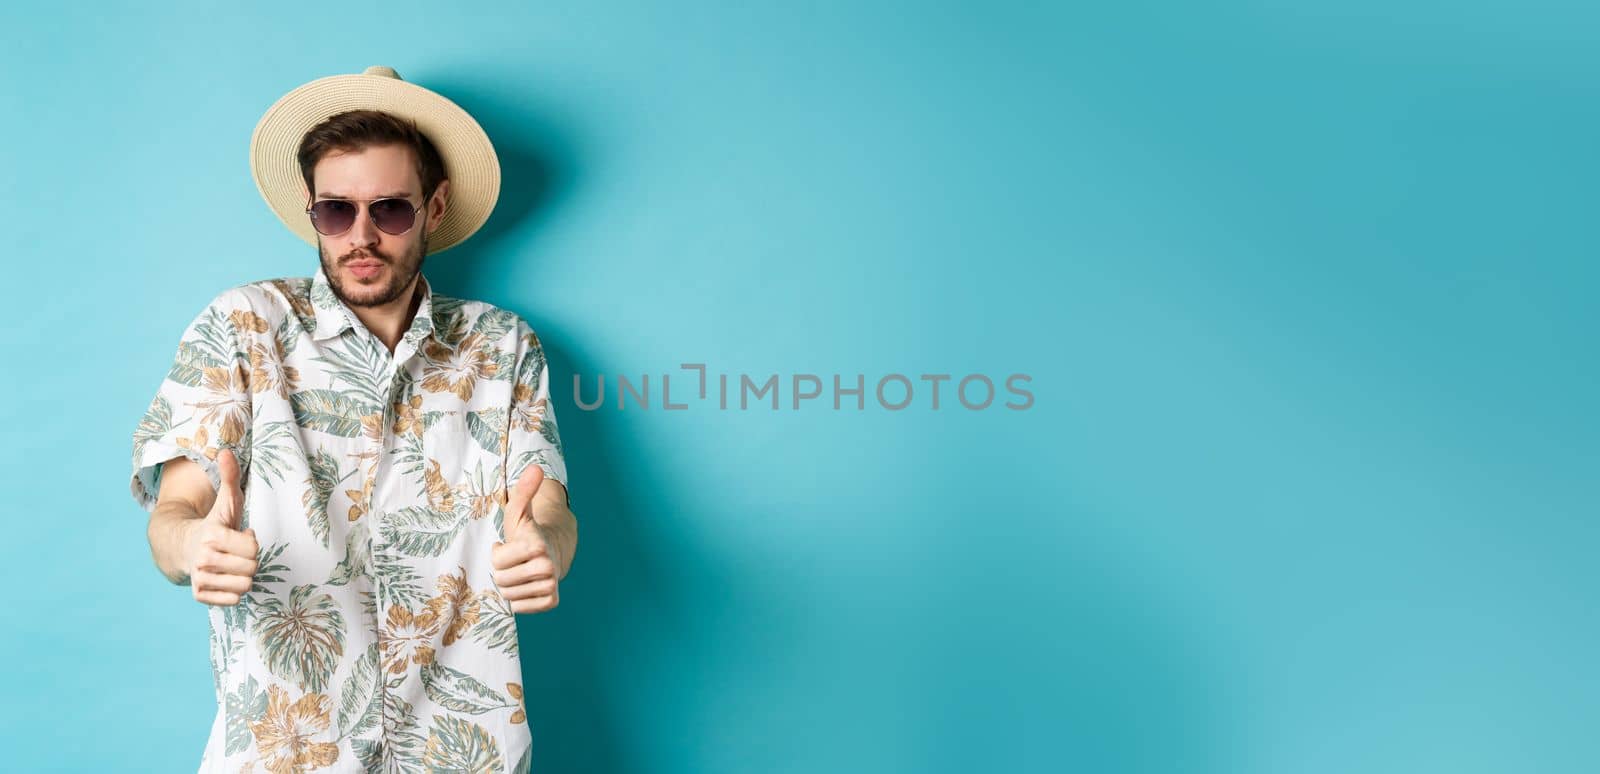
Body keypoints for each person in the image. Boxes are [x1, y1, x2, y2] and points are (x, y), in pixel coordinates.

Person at [127, 65, 576, 774]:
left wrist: (545, 547)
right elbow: (176, 512)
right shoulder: (242, 327)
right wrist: (191, 549)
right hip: (287, 749)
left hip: (464, 750)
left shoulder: (503, 346)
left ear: (434, 208)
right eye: (337, 211)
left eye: (389, 209)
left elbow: (546, 507)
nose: (361, 236)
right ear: (312, 210)